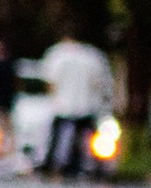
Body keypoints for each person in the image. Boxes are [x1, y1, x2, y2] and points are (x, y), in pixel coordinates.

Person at [40, 29, 114, 179]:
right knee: (86, 137)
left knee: (58, 136)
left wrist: (53, 98)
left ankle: (51, 164)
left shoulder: (57, 54)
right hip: (86, 104)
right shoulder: (93, 56)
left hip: (63, 103)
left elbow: (51, 82)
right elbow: (99, 83)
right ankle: (92, 165)